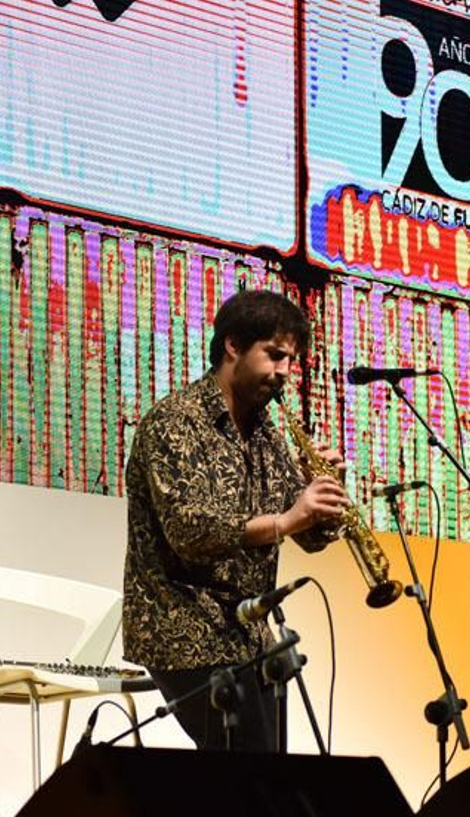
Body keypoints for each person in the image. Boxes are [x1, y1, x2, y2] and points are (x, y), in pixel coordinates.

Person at [122, 289, 345, 752]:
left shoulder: (266, 434)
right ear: (233, 346)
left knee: (265, 785)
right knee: (247, 780)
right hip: (185, 627)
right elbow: (191, 532)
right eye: (275, 355)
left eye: (291, 360)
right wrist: (288, 518)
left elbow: (309, 535)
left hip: (249, 634)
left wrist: (321, 497)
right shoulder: (174, 422)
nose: (285, 371)